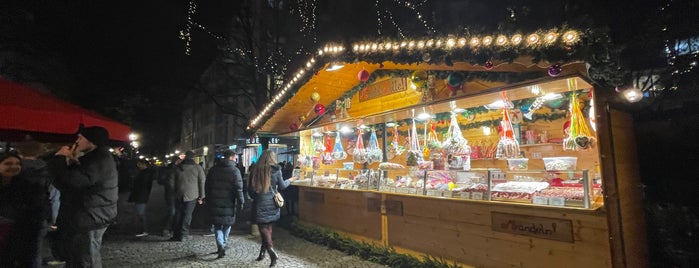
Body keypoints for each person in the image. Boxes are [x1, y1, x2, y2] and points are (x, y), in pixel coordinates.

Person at [48, 126, 119, 268]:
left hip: (90, 216)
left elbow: (71, 182)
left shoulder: (97, 160)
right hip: (90, 214)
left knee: (85, 259)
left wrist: (60, 158)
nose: (77, 141)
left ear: (92, 141)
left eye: (81, 138)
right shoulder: (95, 158)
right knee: (80, 256)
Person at [248, 149, 296, 267]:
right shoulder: (276, 170)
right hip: (273, 203)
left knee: (263, 229)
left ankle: (271, 252)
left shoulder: (255, 170)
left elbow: (251, 190)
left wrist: (256, 196)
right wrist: (290, 180)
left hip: (260, 203)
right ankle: (263, 253)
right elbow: (282, 186)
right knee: (268, 228)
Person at [0, 151, 48, 267]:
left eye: (18, 163)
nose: (14, 167)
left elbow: (35, 214)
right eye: (8, 163)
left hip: (18, 237)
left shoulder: (29, 188)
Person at [204, 150, 244, 258]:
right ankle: (224, 243)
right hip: (229, 202)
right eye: (235, 157)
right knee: (227, 224)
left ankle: (220, 245)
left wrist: (207, 199)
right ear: (231, 157)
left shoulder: (213, 170)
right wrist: (241, 201)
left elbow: (207, 186)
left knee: (217, 225)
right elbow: (239, 188)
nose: (236, 159)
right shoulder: (235, 171)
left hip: (215, 202)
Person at [169, 150, 205, 242]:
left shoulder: (177, 168)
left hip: (178, 194)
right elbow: (201, 182)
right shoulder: (198, 168)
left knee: (178, 214)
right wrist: (201, 196)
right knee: (187, 215)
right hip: (192, 195)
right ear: (193, 158)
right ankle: (184, 234)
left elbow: (171, 182)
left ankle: (176, 234)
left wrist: (174, 192)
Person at [128, 159, 156, 237]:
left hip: (141, 196)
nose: (138, 165)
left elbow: (142, 186)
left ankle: (144, 230)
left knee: (141, 214)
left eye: (139, 164)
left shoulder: (145, 173)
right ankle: (142, 229)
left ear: (144, 164)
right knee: (140, 213)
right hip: (141, 195)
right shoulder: (145, 172)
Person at [157, 156, 181, 237]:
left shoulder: (179, 169)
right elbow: (160, 180)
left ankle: (173, 229)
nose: (178, 162)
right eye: (178, 161)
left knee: (176, 212)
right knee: (171, 211)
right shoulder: (168, 169)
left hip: (177, 193)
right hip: (170, 193)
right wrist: (168, 183)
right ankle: (166, 228)